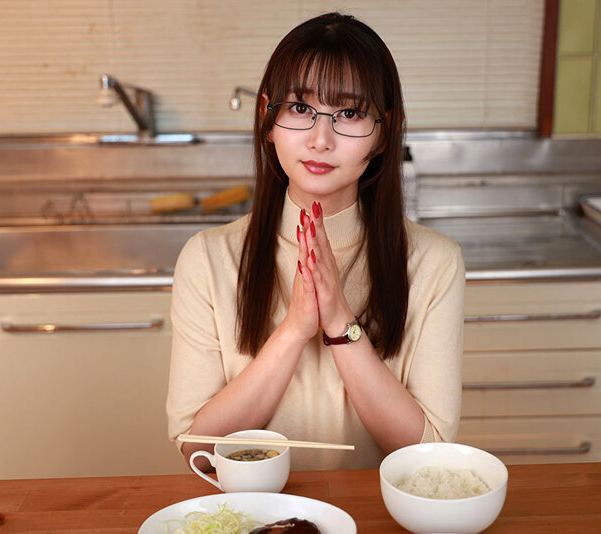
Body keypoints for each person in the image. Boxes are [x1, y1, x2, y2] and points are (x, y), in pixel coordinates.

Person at [167, 11, 464, 471]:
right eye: (301, 109)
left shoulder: (435, 262)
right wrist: (293, 331)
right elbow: (197, 451)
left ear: (384, 132)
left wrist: (340, 322)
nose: (320, 139)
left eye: (350, 113)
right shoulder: (207, 258)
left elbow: (431, 454)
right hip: (253, 507)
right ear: (268, 118)